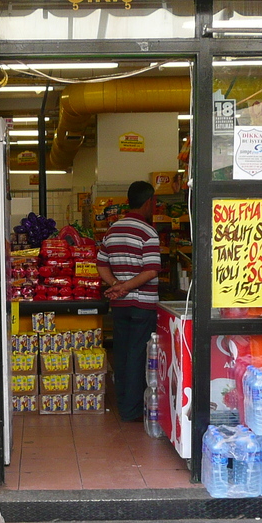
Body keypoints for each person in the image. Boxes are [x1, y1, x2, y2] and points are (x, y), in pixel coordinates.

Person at [97, 180, 161, 422]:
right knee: (138, 356)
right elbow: (151, 270)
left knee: (122, 354)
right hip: (142, 304)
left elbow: (101, 264)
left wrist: (116, 285)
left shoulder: (112, 230)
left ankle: (124, 404)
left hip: (120, 305)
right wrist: (123, 287)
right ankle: (131, 410)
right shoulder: (148, 231)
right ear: (148, 202)